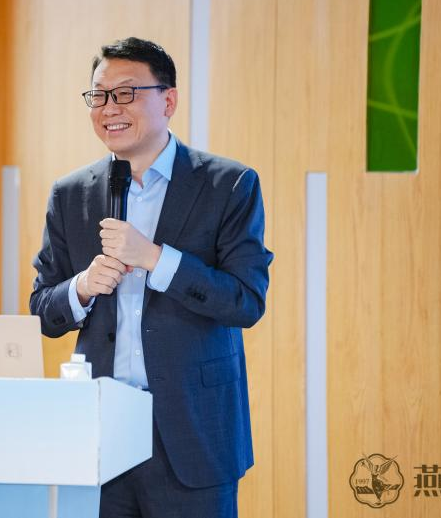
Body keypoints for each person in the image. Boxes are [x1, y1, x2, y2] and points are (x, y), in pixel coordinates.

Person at [30, 37, 273, 518]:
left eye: (126, 92)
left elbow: (245, 301)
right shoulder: (71, 193)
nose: (109, 108)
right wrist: (82, 287)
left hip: (192, 431)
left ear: (169, 100)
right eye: (99, 95)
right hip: (98, 434)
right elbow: (42, 310)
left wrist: (158, 260)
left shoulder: (228, 184)